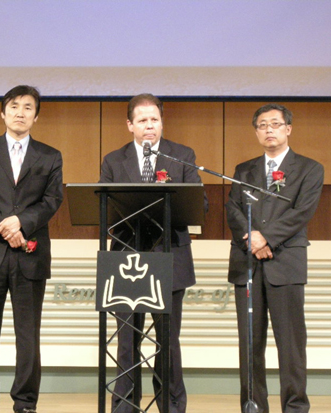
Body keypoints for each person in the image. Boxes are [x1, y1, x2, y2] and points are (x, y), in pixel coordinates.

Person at [100, 93, 208, 413]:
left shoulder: (182, 156)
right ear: (130, 125)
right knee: (126, 342)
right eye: (143, 120)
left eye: (155, 120)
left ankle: (171, 406)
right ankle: (124, 406)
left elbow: (199, 205)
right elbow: (105, 208)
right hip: (126, 259)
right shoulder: (113, 161)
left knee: (167, 341)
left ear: (162, 122)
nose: (149, 126)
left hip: (169, 257)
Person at [0, 85, 63, 413]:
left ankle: (25, 402)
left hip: (30, 254)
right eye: (14, 106)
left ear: (36, 116)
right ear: (3, 113)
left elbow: (52, 200)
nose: (20, 113)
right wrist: (5, 227)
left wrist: (21, 222)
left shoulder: (50, 156)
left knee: (28, 333)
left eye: (28, 107)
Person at [226, 103, 324, 413]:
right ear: (256, 132)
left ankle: (295, 407)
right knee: (250, 344)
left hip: (286, 263)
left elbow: (302, 212)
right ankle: (253, 406)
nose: (269, 130)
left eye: (275, 124)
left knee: (291, 344)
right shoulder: (244, 170)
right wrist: (252, 240)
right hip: (248, 265)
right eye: (263, 125)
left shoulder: (309, 168)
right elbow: (233, 209)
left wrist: (266, 238)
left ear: (288, 129)